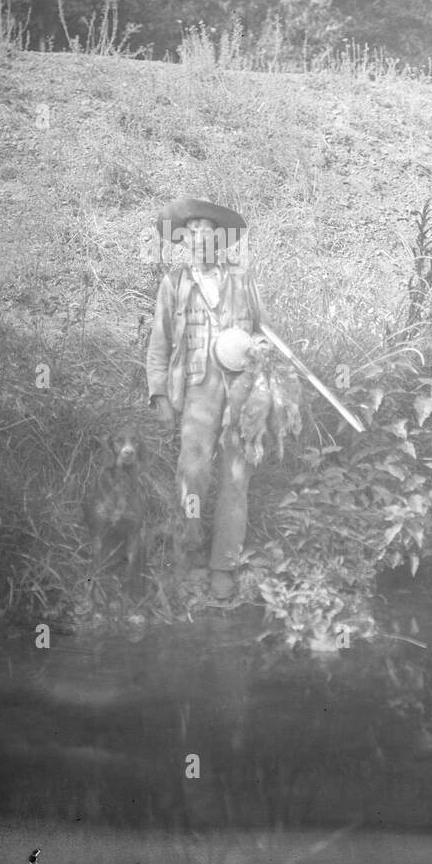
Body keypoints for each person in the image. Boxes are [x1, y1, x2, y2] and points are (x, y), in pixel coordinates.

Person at [145, 198, 266, 601]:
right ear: (184, 240)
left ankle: (223, 566)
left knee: (236, 474)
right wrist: (159, 393)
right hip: (196, 387)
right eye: (191, 233)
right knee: (193, 470)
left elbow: (266, 335)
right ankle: (188, 550)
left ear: (222, 240)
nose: (199, 240)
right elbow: (159, 343)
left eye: (207, 232)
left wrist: (255, 351)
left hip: (241, 389)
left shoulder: (243, 280)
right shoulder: (174, 282)